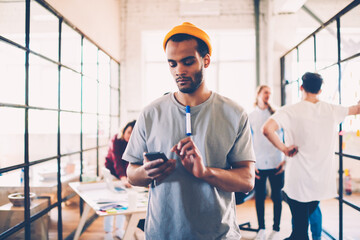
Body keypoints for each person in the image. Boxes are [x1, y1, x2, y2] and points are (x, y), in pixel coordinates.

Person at [123, 22, 256, 240]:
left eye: (187, 62)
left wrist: (206, 173)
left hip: (218, 234)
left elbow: (247, 180)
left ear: (206, 60)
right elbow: (131, 173)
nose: (179, 71)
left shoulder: (235, 113)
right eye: (172, 64)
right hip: (162, 233)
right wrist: (147, 172)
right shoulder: (150, 113)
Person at [262, 72, 360, 240]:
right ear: (320, 90)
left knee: (299, 231)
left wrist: (284, 149)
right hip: (319, 183)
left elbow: (267, 129)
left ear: (302, 87)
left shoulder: (290, 110)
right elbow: (357, 109)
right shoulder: (331, 109)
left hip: (298, 182)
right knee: (301, 227)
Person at [248, 85, 284, 240]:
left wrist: (285, 160)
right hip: (259, 164)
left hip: (277, 162)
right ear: (258, 95)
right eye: (265, 92)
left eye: (270, 93)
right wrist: (251, 163)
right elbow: (247, 142)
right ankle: (261, 228)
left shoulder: (277, 115)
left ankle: (276, 228)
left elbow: (285, 138)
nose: (268, 95)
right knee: (260, 197)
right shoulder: (251, 116)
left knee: (277, 197)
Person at [104, 120, 136, 240]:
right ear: (124, 130)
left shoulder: (133, 142)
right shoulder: (116, 140)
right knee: (111, 202)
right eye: (128, 132)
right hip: (112, 173)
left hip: (124, 175)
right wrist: (123, 177)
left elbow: (131, 161)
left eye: (133, 133)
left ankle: (119, 230)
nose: (130, 135)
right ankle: (107, 232)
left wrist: (128, 177)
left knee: (123, 202)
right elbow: (117, 160)